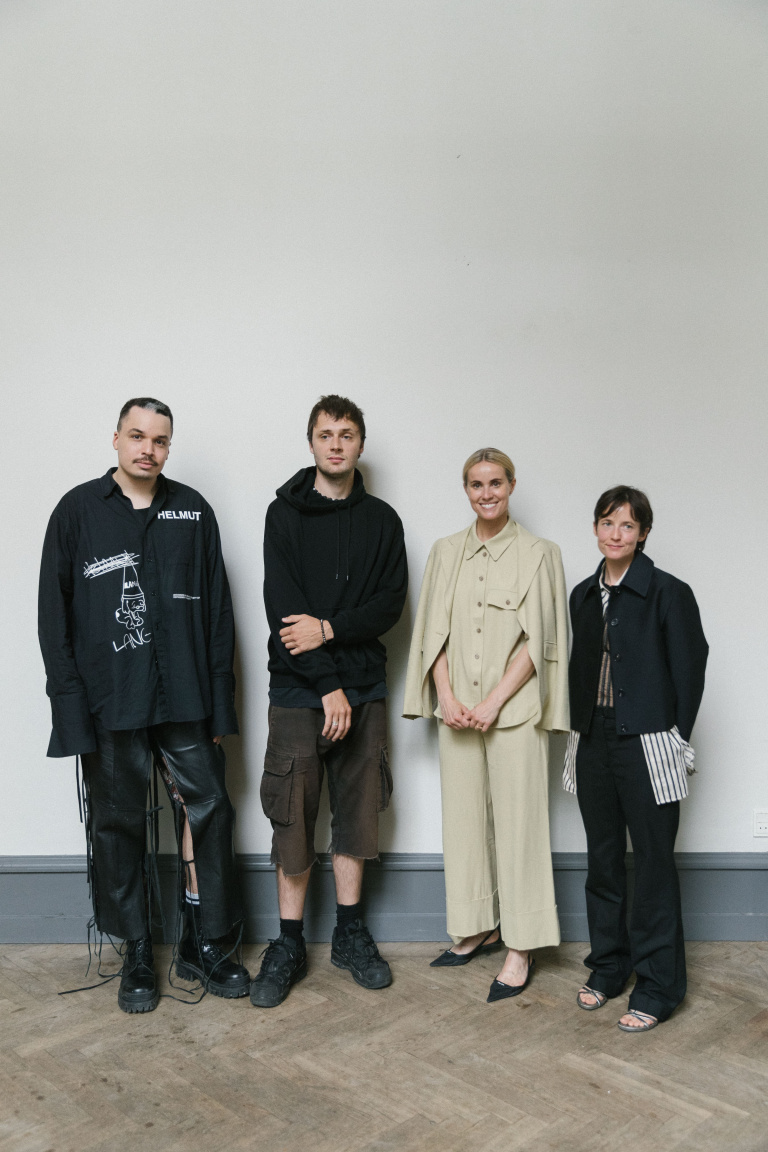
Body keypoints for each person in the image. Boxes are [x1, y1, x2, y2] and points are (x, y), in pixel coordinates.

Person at [38, 398, 250, 1012]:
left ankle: (204, 940)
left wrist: (220, 707)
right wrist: (70, 709)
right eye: (137, 436)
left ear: (168, 447)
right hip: (111, 701)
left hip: (186, 697)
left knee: (210, 809)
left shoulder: (194, 511)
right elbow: (54, 618)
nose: (147, 449)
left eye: (159, 440)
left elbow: (218, 614)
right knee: (117, 823)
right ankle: (135, 948)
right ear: (116, 439)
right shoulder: (77, 512)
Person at [251, 395, 407, 1008]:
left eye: (346, 434)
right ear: (311, 442)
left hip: (365, 689)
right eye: (325, 434)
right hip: (299, 689)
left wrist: (331, 629)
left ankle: (349, 934)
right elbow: (284, 612)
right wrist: (326, 684)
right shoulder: (282, 515)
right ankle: (288, 942)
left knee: (358, 812)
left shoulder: (383, 521)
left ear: (360, 443)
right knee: (293, 813)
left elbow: (388, 605)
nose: (336, 444)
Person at [403, 449, 569, 1002]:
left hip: (513, 714)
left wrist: (495, 701)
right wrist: (446, 696)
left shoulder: (540, 554)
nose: (486, 493)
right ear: (466, 490)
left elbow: (542, 640)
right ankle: (477, 927)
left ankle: (522, 945)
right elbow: (432, 631)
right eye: (476, 484)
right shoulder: (445, 552)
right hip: (456, 712)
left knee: (522, 828)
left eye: (496, 482)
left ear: (512, 485)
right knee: (464, 822)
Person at [563, 486, 708, 1032]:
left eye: (627, 525)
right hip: (592, 739)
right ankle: (608, 966)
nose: (616, 534)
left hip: (647, 743)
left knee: (652, 865)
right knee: (602, 861)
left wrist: (674, 737)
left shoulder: (669, 592)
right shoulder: (583, 594)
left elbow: (690, 670)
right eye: (607, 523)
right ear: (595, 528)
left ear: (643, 533)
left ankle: (658, 986)